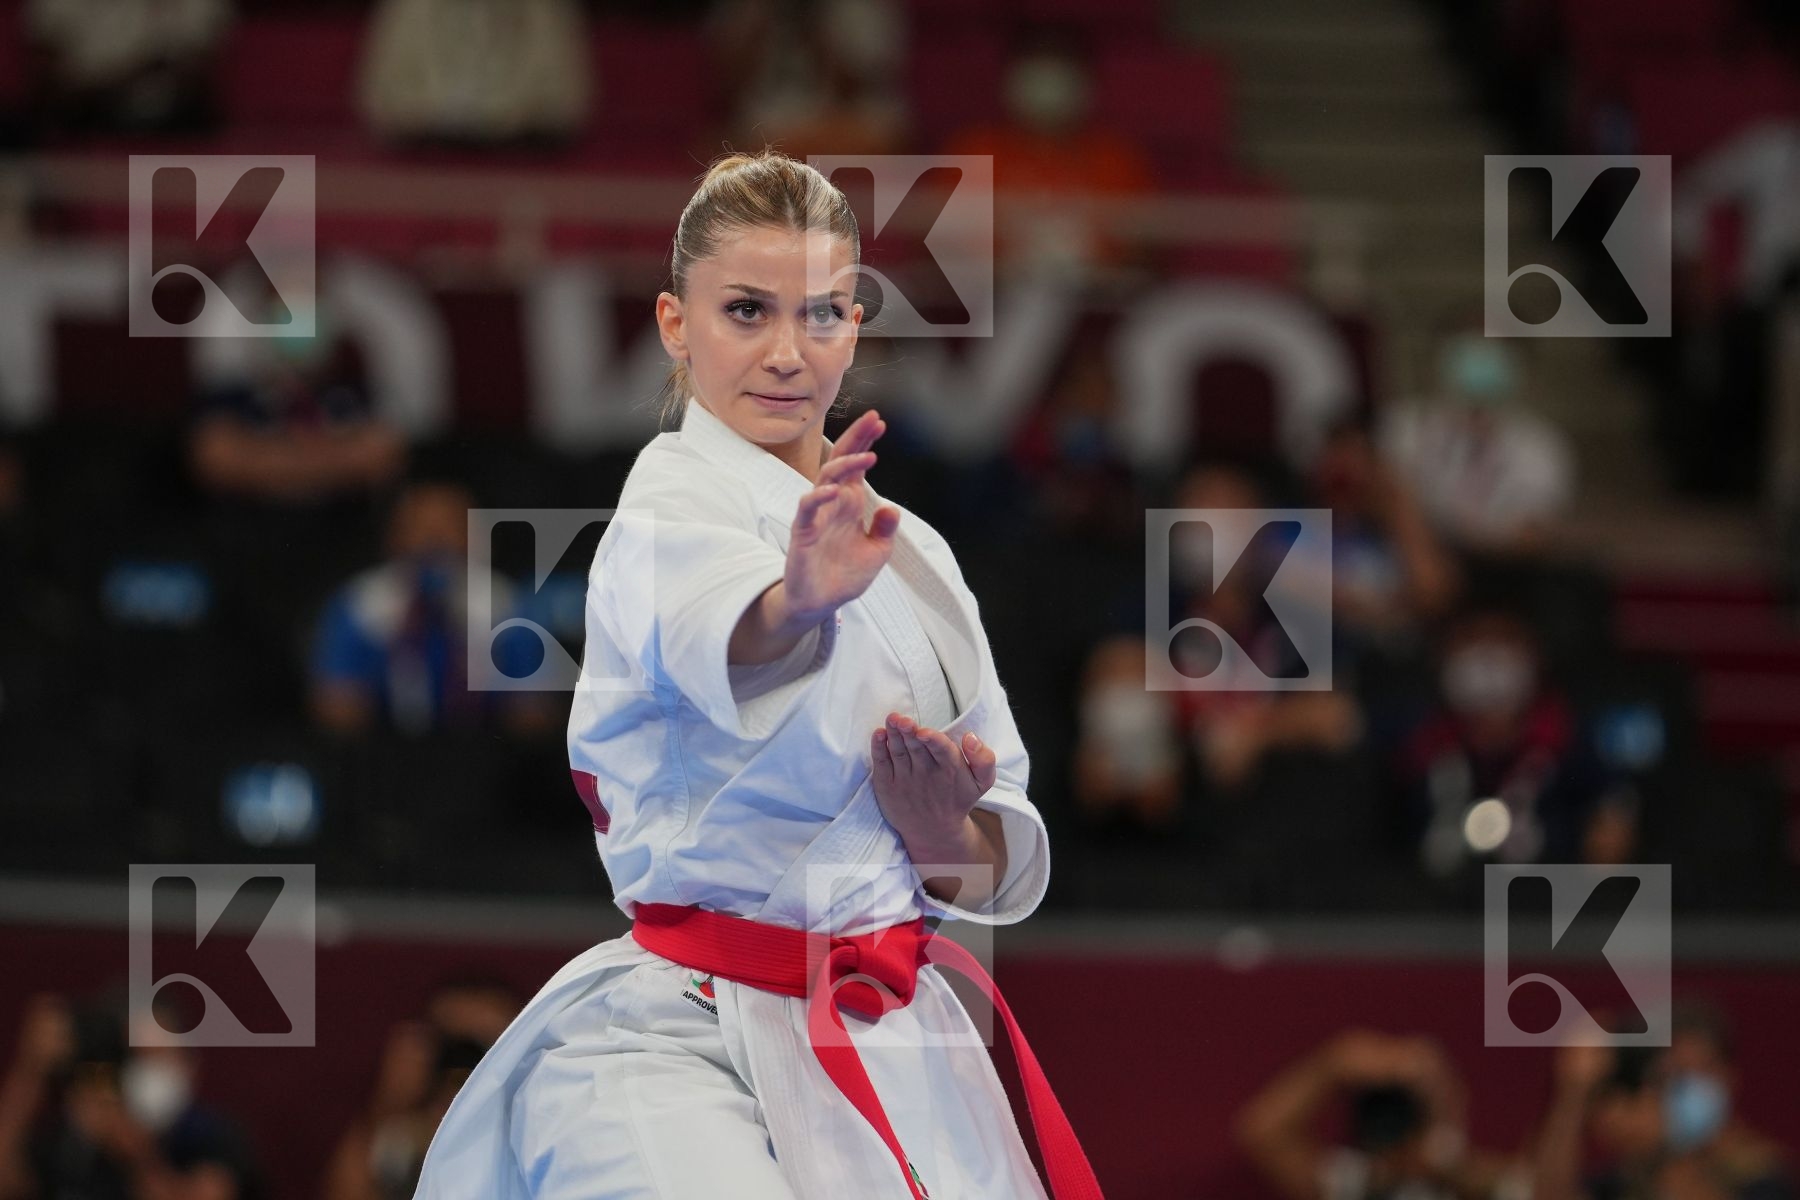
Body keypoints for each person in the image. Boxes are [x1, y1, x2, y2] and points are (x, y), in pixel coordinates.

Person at [412, 151, 1097, 1199]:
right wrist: (796, 603)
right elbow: (735, 637)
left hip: (895, 1036)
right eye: (746, 311)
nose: (787, 353)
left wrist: (938, 831)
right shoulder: (664, 507)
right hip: (681, 1033)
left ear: (855, 327)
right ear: (675, 325)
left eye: (820, 315)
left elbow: (989, 863)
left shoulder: (918, 559)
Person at [1533, 1002, 1794, 1200]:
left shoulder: (1762, 1175)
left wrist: (1677, 1155)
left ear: (1729, 1077)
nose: (1689, 1087)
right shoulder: (1635, 1169)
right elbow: (1551, 1193)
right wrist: (1574, 1094)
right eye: (1677, 1074)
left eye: (1702, 1069)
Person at [1237, 1029, 1529, 1200]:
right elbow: (1262, 1132)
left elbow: (1537, 1187)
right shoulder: (1358, 1180)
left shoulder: (1463, 1178)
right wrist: (1332, 1065)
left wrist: (1445, 1134)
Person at [322, 977, 523, 1200]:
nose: (466, 1061)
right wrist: (386, 1108)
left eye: (484, 1047)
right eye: (455, 1046)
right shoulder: (401, 1138)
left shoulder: (534, 1133)